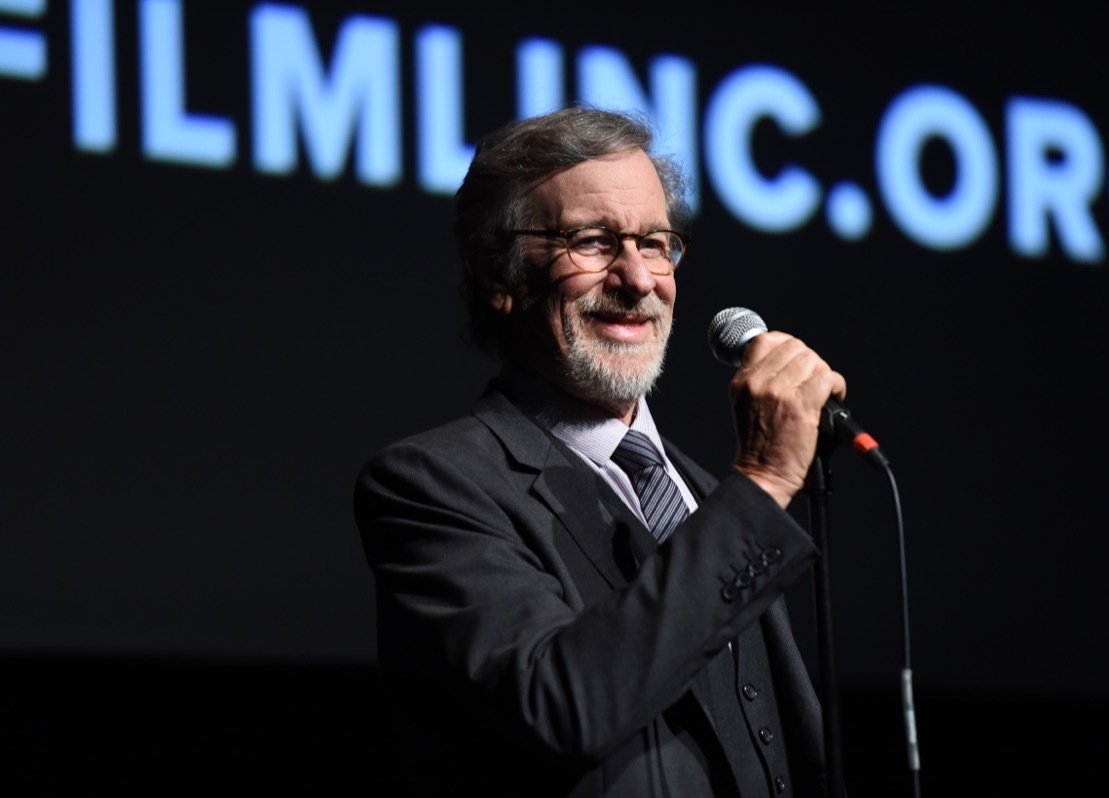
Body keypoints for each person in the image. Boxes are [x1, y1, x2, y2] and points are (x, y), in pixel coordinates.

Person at [353, 105, 848, 797]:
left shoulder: (706, 495)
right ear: (497, 271)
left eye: (655, 242)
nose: (639, 278)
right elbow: (560, 706)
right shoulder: (431, 484)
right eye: (591, 241)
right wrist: (764, 480)